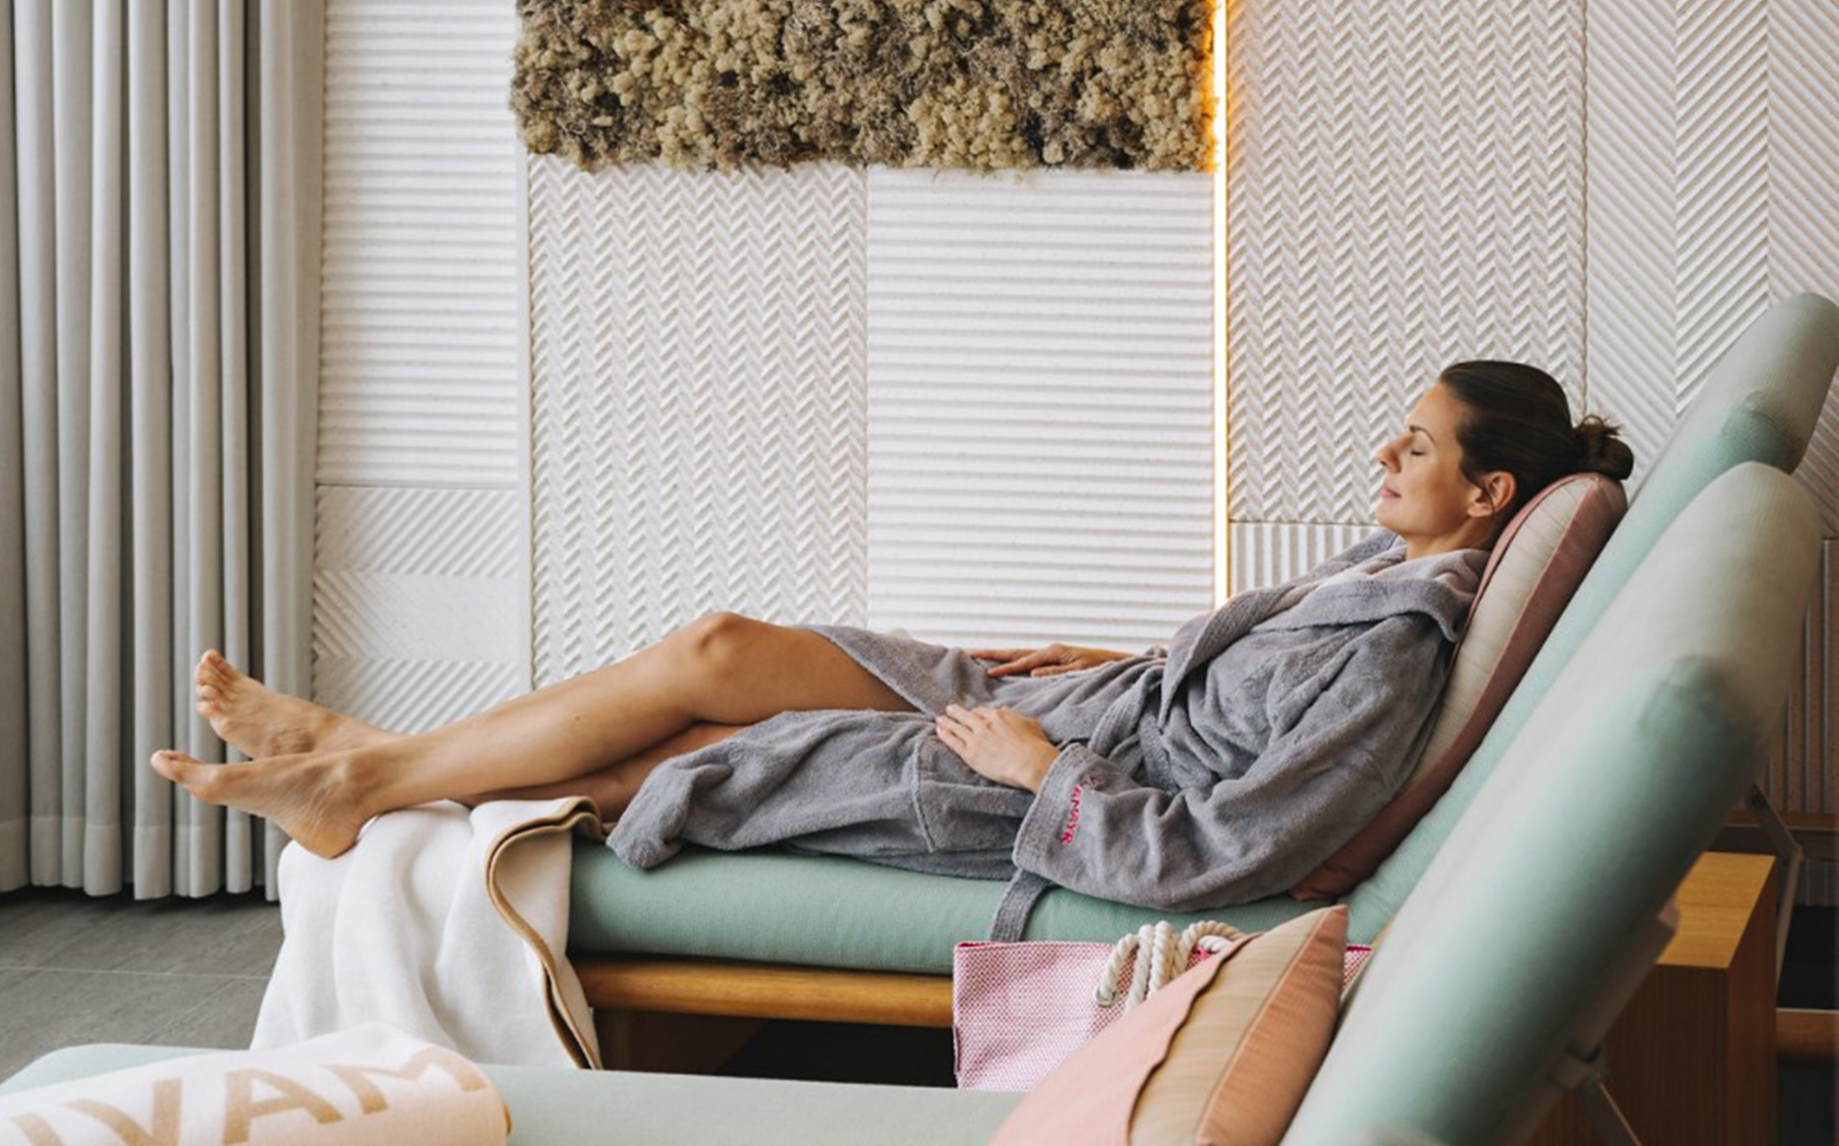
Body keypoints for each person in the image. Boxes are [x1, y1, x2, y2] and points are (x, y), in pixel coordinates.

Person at [152, 361, 1632, 926]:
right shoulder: (1386, 566)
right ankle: (371, 759)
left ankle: (362, 780)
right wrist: (1094, 659)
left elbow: (1234, 849)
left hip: (1042, 779)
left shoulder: (1397, 655)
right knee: (724, 644)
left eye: (1419, 442)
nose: (1387, 448)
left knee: (709, 749)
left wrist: (1047, 764)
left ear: (1488, 495)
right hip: (1073, 706)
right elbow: (1238, 690)